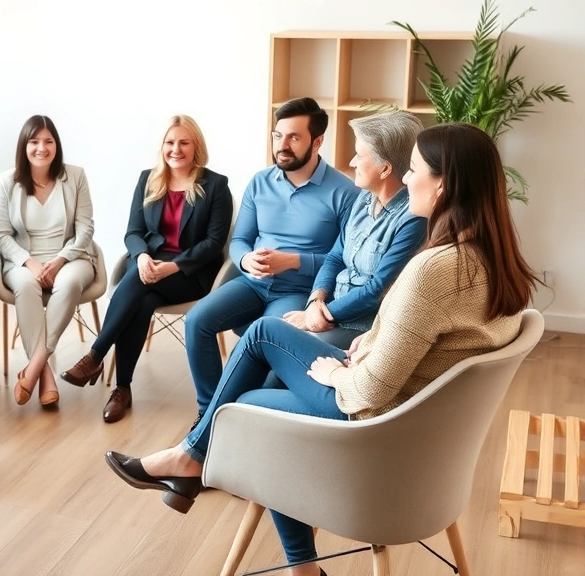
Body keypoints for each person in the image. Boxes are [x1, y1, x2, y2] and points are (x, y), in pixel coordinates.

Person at [104, 123, 538, 576]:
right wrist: (361, 343)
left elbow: (368, 390)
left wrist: (338, 372)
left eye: (413, 171)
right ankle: (197, 467)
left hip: (376, 420)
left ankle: (195, 464)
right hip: (417, 423)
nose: (407, 181)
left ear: (444, 184)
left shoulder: (435, 268)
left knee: (255, 377)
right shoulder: (496, 260)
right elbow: (423, 343)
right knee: (265, 363)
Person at [184, 97, 360, 423]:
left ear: (317, 141)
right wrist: (246, 259)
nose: (282, 145)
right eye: (278, 135)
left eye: (294, 137)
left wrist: (294, 261)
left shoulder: (344, 192)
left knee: (251, 348)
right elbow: (239, 240)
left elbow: (344, 262)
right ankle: (209, 412)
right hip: (252, 284)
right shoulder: (260, 182)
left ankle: (235, 418)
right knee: (196, 322)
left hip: (298, 293)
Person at [60, 115, 233, 423]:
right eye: (170, 142)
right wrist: (140, 257)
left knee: (140, 287)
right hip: (148, 266)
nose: (175, 149)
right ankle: (122, 388)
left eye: (184, 142)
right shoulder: (148, 179)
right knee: (144, 301)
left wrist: (174, 267)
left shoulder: (216, 185)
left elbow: (213, 242)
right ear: (162, 147)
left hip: (191, 273)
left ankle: (96, 355)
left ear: (197, 147)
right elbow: (133, 232)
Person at [283, 111, 427, 350]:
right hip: (331, 312)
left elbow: (377, 290)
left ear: (385, 169)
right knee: (269, 350)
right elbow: (335, 256)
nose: (352, 163)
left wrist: (321, 315)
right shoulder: (363, 199)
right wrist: (315, 300)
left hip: (363, 329)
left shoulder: (413, 220)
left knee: (280, 345)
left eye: (359, 156)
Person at [0, 115, 96, 407]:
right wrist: (30, 263)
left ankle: (35, 365)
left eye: (48, 141)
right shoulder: (7, 181)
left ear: (56, 144)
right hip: (23, 260)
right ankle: (45, 374)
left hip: (70, 255)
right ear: (24, 146)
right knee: (26, 287)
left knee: (70, 282)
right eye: (34, 141)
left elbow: (86, 228)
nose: (41, 148)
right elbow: (1, 235)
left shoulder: (75, 176)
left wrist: (60, 260)